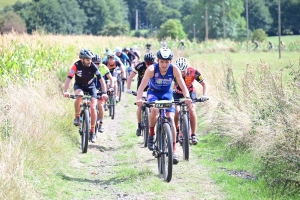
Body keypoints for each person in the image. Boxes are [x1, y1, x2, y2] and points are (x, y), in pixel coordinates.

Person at [135, 47, 192, 165]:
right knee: (155, 110)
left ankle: (173, 150)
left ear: (170, 61)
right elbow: (141, 87)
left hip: (167, 94)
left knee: (171, 119)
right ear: (158, 61)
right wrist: (139, 99)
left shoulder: (174, 69)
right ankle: (151, 134)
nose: (164, 64)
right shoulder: (151, 69)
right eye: (162, 62)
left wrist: (187, 97)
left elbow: (182, 85)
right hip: (153, 94)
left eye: (167, 62)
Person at [63, 49, 108, 143]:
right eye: (87, 59)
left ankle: (92, 131)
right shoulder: (76, 65)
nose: (90, 61)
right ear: (82, 59)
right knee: (79, 96)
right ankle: (77, 116)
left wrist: (104, 92)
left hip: (91, 87)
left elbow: (101, 80)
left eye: (90, 59)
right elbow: (68, 78)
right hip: (79, 85)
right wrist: (66, 91)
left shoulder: (93, 66)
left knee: (93, 106)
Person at [173, 57, 208, 145]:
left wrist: (204, 95)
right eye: (179, 71)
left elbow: (204, 84)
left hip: (190, 92)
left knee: (192, 110)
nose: (182, 73)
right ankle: (176, 130)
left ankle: (193, 135)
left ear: (187, 68)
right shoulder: (173, 72)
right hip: (177, 92)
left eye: (183, 71)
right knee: (176, 111)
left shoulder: (194, 72)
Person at [126, 52, 157, 136]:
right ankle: (139, 126)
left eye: (151, 63)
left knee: (153, 108)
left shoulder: (157, 66)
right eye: (147, 63)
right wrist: (128, 88)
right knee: (140, 106)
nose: (149, 65)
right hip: (142, 89)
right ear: (144, 62)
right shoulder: (140, 66)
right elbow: (130, 77)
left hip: (152, 89)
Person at [92, 54, 114, 133]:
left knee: (100, 105)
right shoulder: (90, 68)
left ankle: (101, 123)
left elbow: (111, 79)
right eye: (94, 63)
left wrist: (111, 87)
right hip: (92, 88)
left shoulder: (104, 67)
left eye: (98, 63)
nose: (96, 65)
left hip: (102, 88)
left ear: (100, 63)